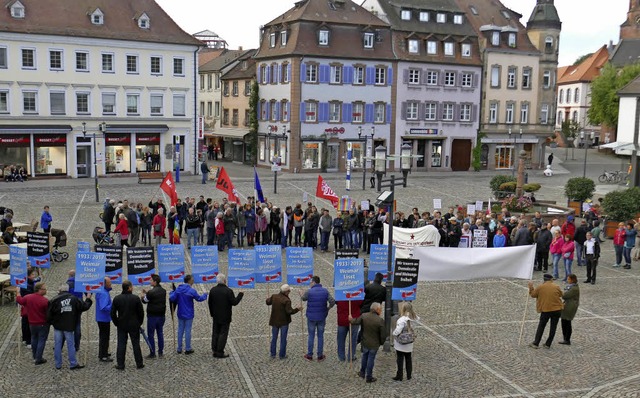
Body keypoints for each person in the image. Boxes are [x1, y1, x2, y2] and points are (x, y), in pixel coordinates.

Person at [47, 284, 92, 370]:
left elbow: (49, 315)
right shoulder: (74, 299)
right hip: (69, 325)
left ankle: (58, 364)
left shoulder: (54, 300)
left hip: (58, 326)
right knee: (71, 345)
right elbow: (84, 306)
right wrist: (88, 298)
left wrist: (53, 323)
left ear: (59, 290)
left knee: (57, 345)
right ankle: (73, 363)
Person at [208, 273, 244, 358]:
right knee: (223, 334)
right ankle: (220, 351)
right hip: (225, 316)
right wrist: (240, 295)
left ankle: (214, 349)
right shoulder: (228, 291)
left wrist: (212, 313)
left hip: (216, 316)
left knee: (215, 333)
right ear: (224, 281)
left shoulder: (213, 290)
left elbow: (210, 303)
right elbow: (234, 302)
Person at [110, 280, 145, 370]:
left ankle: (120, 364)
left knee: (121, 344)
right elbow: (141, 312)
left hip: (121, 324)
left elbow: (113, 313)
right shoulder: (135, 298)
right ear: (129, 288)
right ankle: (139, 363)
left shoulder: (117, 298)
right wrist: (139, 322)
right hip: (134, 324)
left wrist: (116, 323)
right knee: (136, 344)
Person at [170, 275, 208, 354]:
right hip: (189, 313)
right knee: (188, 331)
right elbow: (199, 299)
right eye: (192, 279)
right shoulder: (191, 291)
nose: (193, 280)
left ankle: (179, 348)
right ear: (189, 281)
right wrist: (205, 294)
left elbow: (172, 298)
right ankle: (188, 348)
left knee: (180, 330)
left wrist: (172, 292)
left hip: (180, 313)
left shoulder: (178, 290)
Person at [349, 302, 386, 383]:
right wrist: (381, 342)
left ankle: (362, 372)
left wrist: (351, 319)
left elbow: (355, 321)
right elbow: (383, 335)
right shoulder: (380, 320)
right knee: (371, 359)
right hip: (374, 344)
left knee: (365, 357)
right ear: (377, 310)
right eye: (380, 309)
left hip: (365, 341)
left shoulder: (364, 316)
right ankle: (369, 376)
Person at [301, 276, 335, 361]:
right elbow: (332, 301)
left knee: (311, 336)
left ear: (313, 282)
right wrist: (328, 308)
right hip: (321, 317)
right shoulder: (325, 291)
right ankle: (320, 355)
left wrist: (301, 294)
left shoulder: (309, 291)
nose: (310, 284)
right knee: (320, 336)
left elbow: (303, 298)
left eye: (310, 282)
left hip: (311, 317)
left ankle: (309, 355)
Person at [16, 282, 49, 365]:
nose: (46, 290)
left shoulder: (28, 297)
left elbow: (20, 300)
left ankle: (35, 356)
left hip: (32, 323)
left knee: (34, 339)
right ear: (39, 290)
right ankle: (39, 358)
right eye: (44, 289)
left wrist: (18, 292)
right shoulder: (45, 301)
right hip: (42, 323)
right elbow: (49, 313)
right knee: (41, 340)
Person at [266, 284, 302, 359]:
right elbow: (289, 311)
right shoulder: (287, 300)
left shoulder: (274, 296)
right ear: (286, 292)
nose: (290, 292)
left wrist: (267, 299)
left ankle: (273, 354)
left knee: (274, 338)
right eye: (289, 291)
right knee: (283, 339)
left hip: (274, 321)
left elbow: (268, 302)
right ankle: (282, 355)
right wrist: (297, 309)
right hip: (284, 322)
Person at [528, 274, 564, 349]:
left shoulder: (540, 287)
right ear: (551, 280)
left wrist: (531, 287)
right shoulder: (556, 286)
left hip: (546, 310)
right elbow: (561, 294)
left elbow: (533, 295)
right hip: (557, 310)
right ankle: (548, 344)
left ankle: (536, 343)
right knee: (553, 327)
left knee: (541, 326)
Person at [141, 274, 166, 358]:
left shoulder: (151, 292)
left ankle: (152, 353)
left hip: (152, 316)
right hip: (161, 315)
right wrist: (147, 293)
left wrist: (142, 296)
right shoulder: (163, 290)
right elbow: (154, 296)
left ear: (155, 282)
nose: (149, 281)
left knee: (151, 334)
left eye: (151, 280)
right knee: (160, 333)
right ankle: (161, 352)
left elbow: (144, 301)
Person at [392, 302, 418, 381]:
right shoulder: (414, 318)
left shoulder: (402, 320)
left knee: (400, 359)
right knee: (408, 358)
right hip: (409, 342)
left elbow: (397, 331)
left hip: (401, 343)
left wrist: (393, 334)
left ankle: (399, 375)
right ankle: (409, 375)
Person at [336, 297, 362, 362]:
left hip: (342, 319)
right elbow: (361, 303)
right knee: (353, 339)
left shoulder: (340, 295)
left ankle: (341, 356)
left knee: (341, 339)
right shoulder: (357, 296)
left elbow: (336, 302)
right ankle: (351, 356)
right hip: (354, 319)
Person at [95, 277, 113, 362]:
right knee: (104, 337)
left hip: (101, 318)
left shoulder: (101, 291)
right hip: (104, 318)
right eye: (109, 283)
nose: (111, 284)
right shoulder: (104, 294)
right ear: (105, 284)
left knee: (103, 336)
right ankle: (103, 355)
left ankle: (103, 352)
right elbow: (104, 307)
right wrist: (112, 305)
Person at [559, 274, 580, 345]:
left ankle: (567, 339)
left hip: (570, 306)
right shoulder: (571, 287)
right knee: (564, 321)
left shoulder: (574, 288)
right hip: (567, 305)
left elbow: (565, 295)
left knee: (567, 322)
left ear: (572, 280)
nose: (567, 280)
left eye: (568, 279)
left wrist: (561, 293)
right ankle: (565, 338)